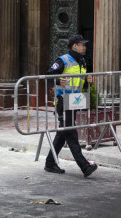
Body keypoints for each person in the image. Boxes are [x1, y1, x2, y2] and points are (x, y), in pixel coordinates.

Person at [43, 34, 98, 178]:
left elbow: (80, 83)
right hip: (63, 100)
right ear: (74, 46)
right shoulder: (63, 60)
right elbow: (48, 76)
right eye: (82, 45)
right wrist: (58, 81)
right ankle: (84, 166)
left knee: (63, 133)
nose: (85, 47)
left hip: (75, 100)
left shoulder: (82, 61)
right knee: (71, 133)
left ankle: (50, 163)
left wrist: (88, 81)